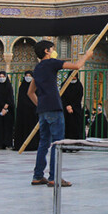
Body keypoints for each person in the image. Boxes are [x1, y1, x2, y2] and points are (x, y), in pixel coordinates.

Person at [27, 40, 87, 187]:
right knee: (57, 142)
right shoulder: (52, 63)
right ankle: (54, 176)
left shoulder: (37, 68)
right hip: (54, 107)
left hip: (43, 110)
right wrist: (87, 55)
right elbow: (77, 66)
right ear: (46, 51)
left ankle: (38, 176)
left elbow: (30, 92)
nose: (54, 51)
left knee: (44, 143)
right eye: (52, 48)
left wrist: (40, 104)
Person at [14, 71, 38, 151]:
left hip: (33, 112)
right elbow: (21, 100)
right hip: (23, 113)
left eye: (30, 76)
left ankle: (33, 145)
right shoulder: (22, 87)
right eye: (26, 76)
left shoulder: (36, 87)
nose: (28, 77)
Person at [61, 73, 85, 141]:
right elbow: (62, 96)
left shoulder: (79, 86)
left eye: (74, 77)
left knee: (76, 126)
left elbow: (79, 98)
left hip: (76, 109)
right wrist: (67, 105)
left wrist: (72, 106)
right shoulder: (64, 85)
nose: (73, 78)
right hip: (66, 109)